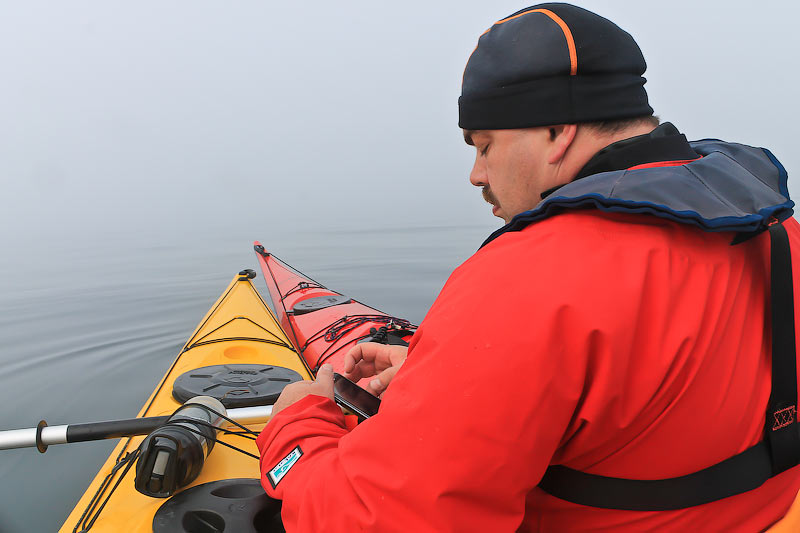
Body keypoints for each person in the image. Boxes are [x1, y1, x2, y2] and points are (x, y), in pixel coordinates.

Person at [256, 4, 800, 531]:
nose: (475, 174)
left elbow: (380, 521)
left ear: (558, 130)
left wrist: (297, 424)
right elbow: (658, 393)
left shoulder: (531, 277)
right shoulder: (777, 232)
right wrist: (440, 371)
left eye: (485, 145)